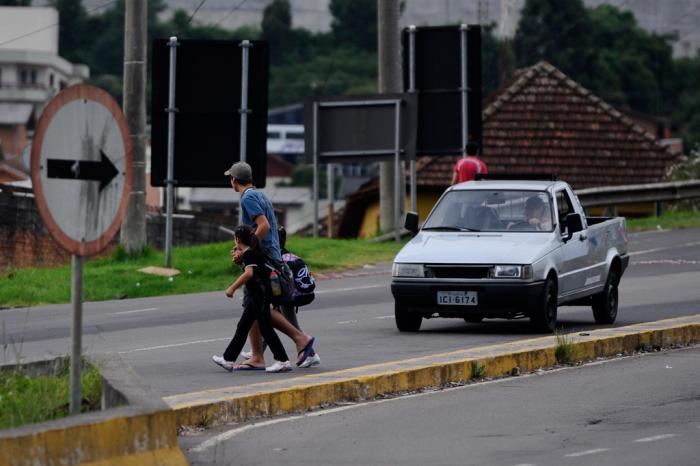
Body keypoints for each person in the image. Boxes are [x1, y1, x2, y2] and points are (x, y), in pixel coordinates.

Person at [222, 161, 318, 369]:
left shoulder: (247, 197)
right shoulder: (260, 194)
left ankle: (299, 341)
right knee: (255, 306)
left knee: (258, 306)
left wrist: (247, 251)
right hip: (270, 257)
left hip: (264, 259)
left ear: (234, 180)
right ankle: (260, 355)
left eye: (230, 178)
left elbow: (263, 225)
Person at [212, 225, 292, 373]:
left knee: (265, 328)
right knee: (243, 327)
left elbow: (249, 273)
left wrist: (232, 288)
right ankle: (228, 359)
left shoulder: (250, 254)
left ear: (237, 239)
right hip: (257, 296)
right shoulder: (253, 251)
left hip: (259, 296)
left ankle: (283, 361)